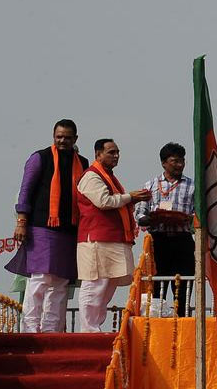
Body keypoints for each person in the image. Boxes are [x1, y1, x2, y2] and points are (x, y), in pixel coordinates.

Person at [6, 119, 91, 333]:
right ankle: (30, 328)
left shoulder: (82, 162)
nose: (62, 141)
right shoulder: (39, 158)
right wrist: (21, 222)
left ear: (75, 139)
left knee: (61, 282)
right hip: (41, 227)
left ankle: (52, 329)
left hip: (69, 229)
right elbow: (25, 191)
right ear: (53, 136)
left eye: (67, 138)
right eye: (59, 137)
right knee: (40, 278)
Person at [76, 139, 151, 332]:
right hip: (97, 239)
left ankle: (95, 327)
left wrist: (131, 199)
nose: (116, 156)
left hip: (112, 239)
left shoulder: (108, 176)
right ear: (98, 154)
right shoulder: (91, 176)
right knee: (95, 285)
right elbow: (104, 201)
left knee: (108, 286)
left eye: (117, 152)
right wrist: (131, 197)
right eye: (111, 152)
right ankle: (88, 330)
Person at [134, 142, 195, 316]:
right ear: (164, 163)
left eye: (182, 161)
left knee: (184, 286)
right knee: (157, 285)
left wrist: (186, 219)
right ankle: (156, 324)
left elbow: (199, 216)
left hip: (182, 242)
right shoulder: (151, 185)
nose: (180, 165)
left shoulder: (192, 186)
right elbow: (140, 215)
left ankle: (183, 324)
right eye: (175, 161)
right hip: (159, 241)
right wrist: (152, 218)